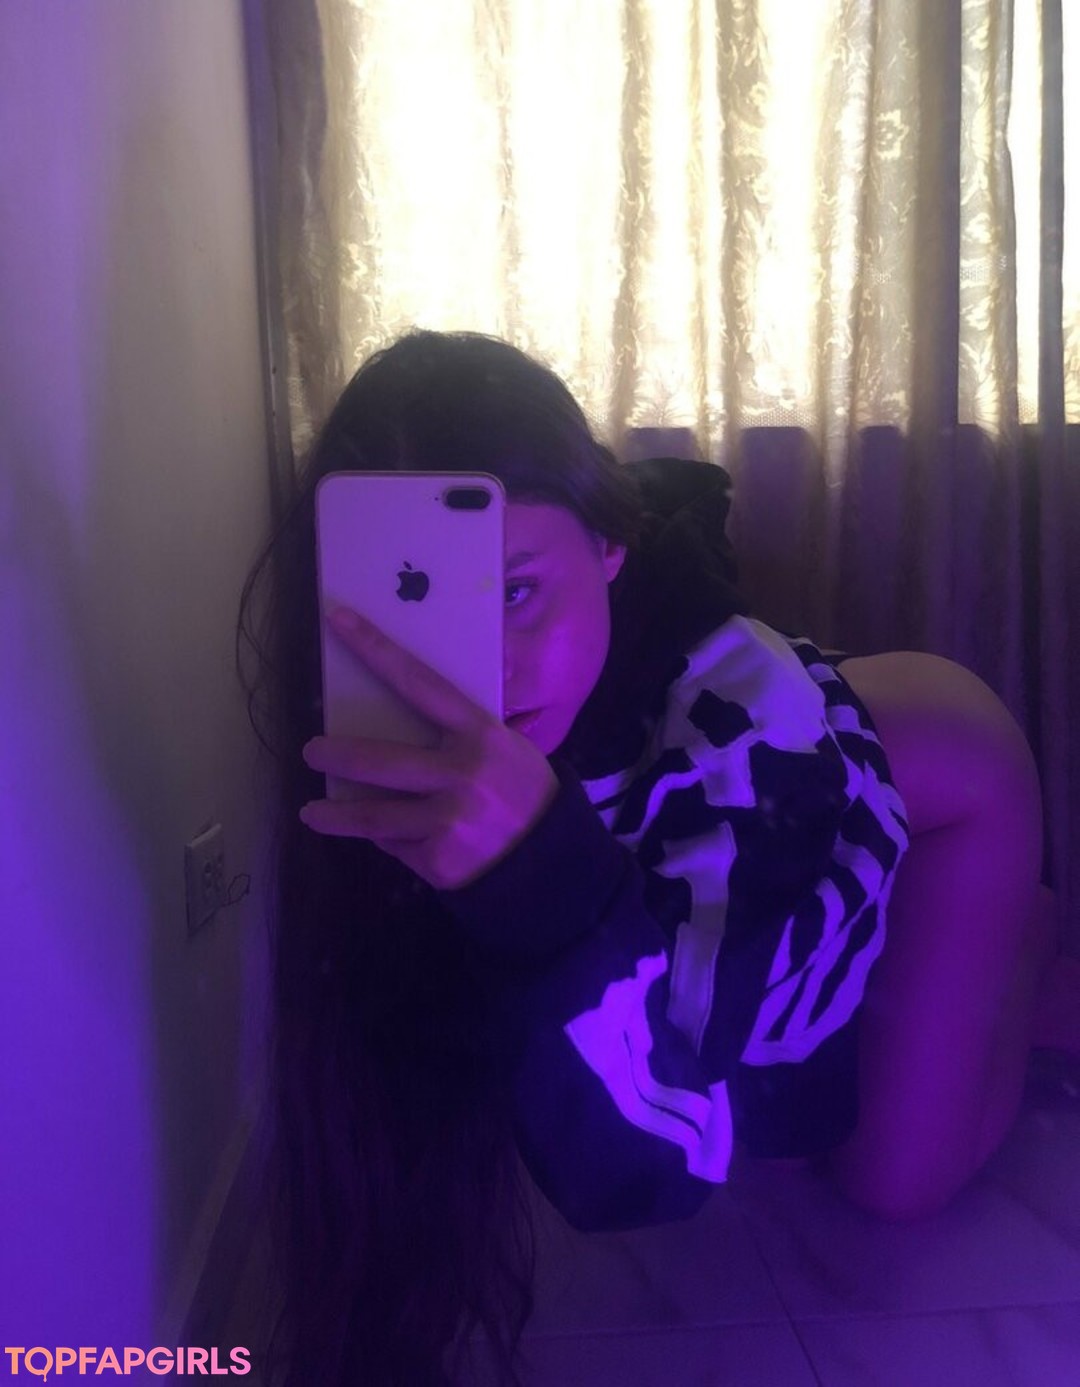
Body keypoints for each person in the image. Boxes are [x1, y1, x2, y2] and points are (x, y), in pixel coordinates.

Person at [235, 328, 1060, 1387]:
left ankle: (1020, 946)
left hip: (948, 782)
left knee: (891, 1183)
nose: (487, 669)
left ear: (609, 545)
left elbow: (672, 1151)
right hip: (767, 769)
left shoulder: (739, 743)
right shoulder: (375, 712)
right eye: (423, 601)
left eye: (518, 592)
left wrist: (535, 880)